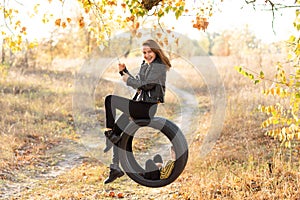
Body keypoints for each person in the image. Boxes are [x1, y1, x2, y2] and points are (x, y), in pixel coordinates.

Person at [103, 39, 172, 184]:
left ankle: (110, 134)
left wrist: (128, 80)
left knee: (110, 100)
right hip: (140, 104)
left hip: (146, 108)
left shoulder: (159, 66)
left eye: (149, 52)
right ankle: (115, 167)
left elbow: (146, 86)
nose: (146, 55)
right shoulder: (145, 65)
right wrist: (124, 71)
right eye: (144, 52)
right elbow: (139, 84)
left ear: (156, 51)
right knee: (118, 130)